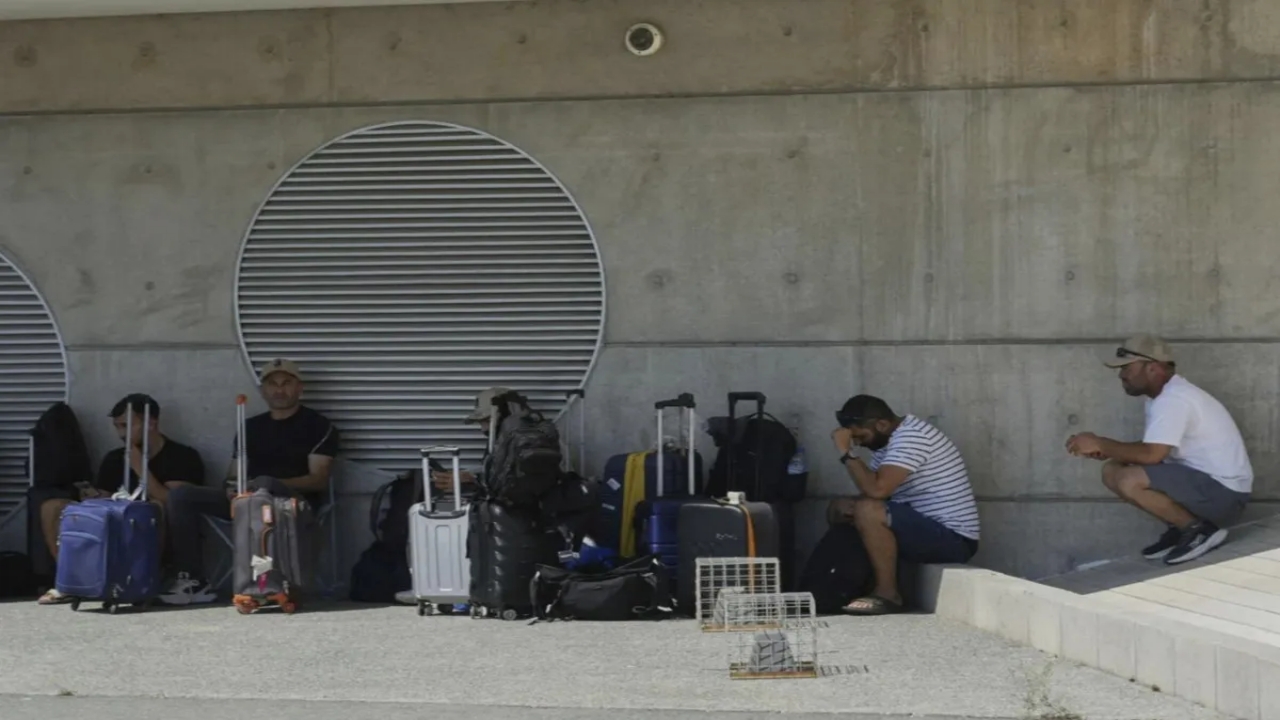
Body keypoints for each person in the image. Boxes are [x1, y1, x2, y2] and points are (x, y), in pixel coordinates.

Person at [160, 358, 339, 605]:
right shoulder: (250, 427)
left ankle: (266, 582)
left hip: (291, 504)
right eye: (273, 384)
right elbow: (233, 475)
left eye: (286, 383)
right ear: (263, 390)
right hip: (247, 500)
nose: (279, 390)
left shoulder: (318, 426)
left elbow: (318, 480)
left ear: (299, 388)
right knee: (181, 495)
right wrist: (232, 488)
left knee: (263, 484)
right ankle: (192, 580)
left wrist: (265, 484)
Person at [1067, 334, 1253, 565]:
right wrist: (1109, 450)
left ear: (1153, 368)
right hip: (1208, 488)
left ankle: (1197, 530)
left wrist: (1101, 443)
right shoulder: (1162, 397)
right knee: (1112, 469)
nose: (1121, 375)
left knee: (1128, 479)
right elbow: (1155, 446)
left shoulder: (1174, 399)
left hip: (1224, 495)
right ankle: (1182, 526)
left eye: (1127, 368)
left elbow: (1152, 455)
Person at [37, 393, 205, 605]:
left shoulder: (182, 456)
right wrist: (93, 496)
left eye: (126, 426)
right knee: (52, 507)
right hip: (114, 522)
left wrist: (139, 467)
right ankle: (71, 580)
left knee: (155, 507)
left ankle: (145, 579)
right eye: (117, 427)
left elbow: (173, 501)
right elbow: (106, 497)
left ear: (151, 423)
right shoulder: (114, 458)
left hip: (151, 528)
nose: (121, 434)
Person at [827, 394, 980, 615]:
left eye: (861, 436)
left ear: (882, 424)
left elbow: (878, 490)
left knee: (868, 510)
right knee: (839, 508)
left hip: (954, 539)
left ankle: (888, 594)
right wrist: (848, 508)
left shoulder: (912, 437)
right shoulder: (887, 445)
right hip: (922, 527)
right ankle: (836, 588)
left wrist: (846, 453)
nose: (858, 443)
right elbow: (875, 493)